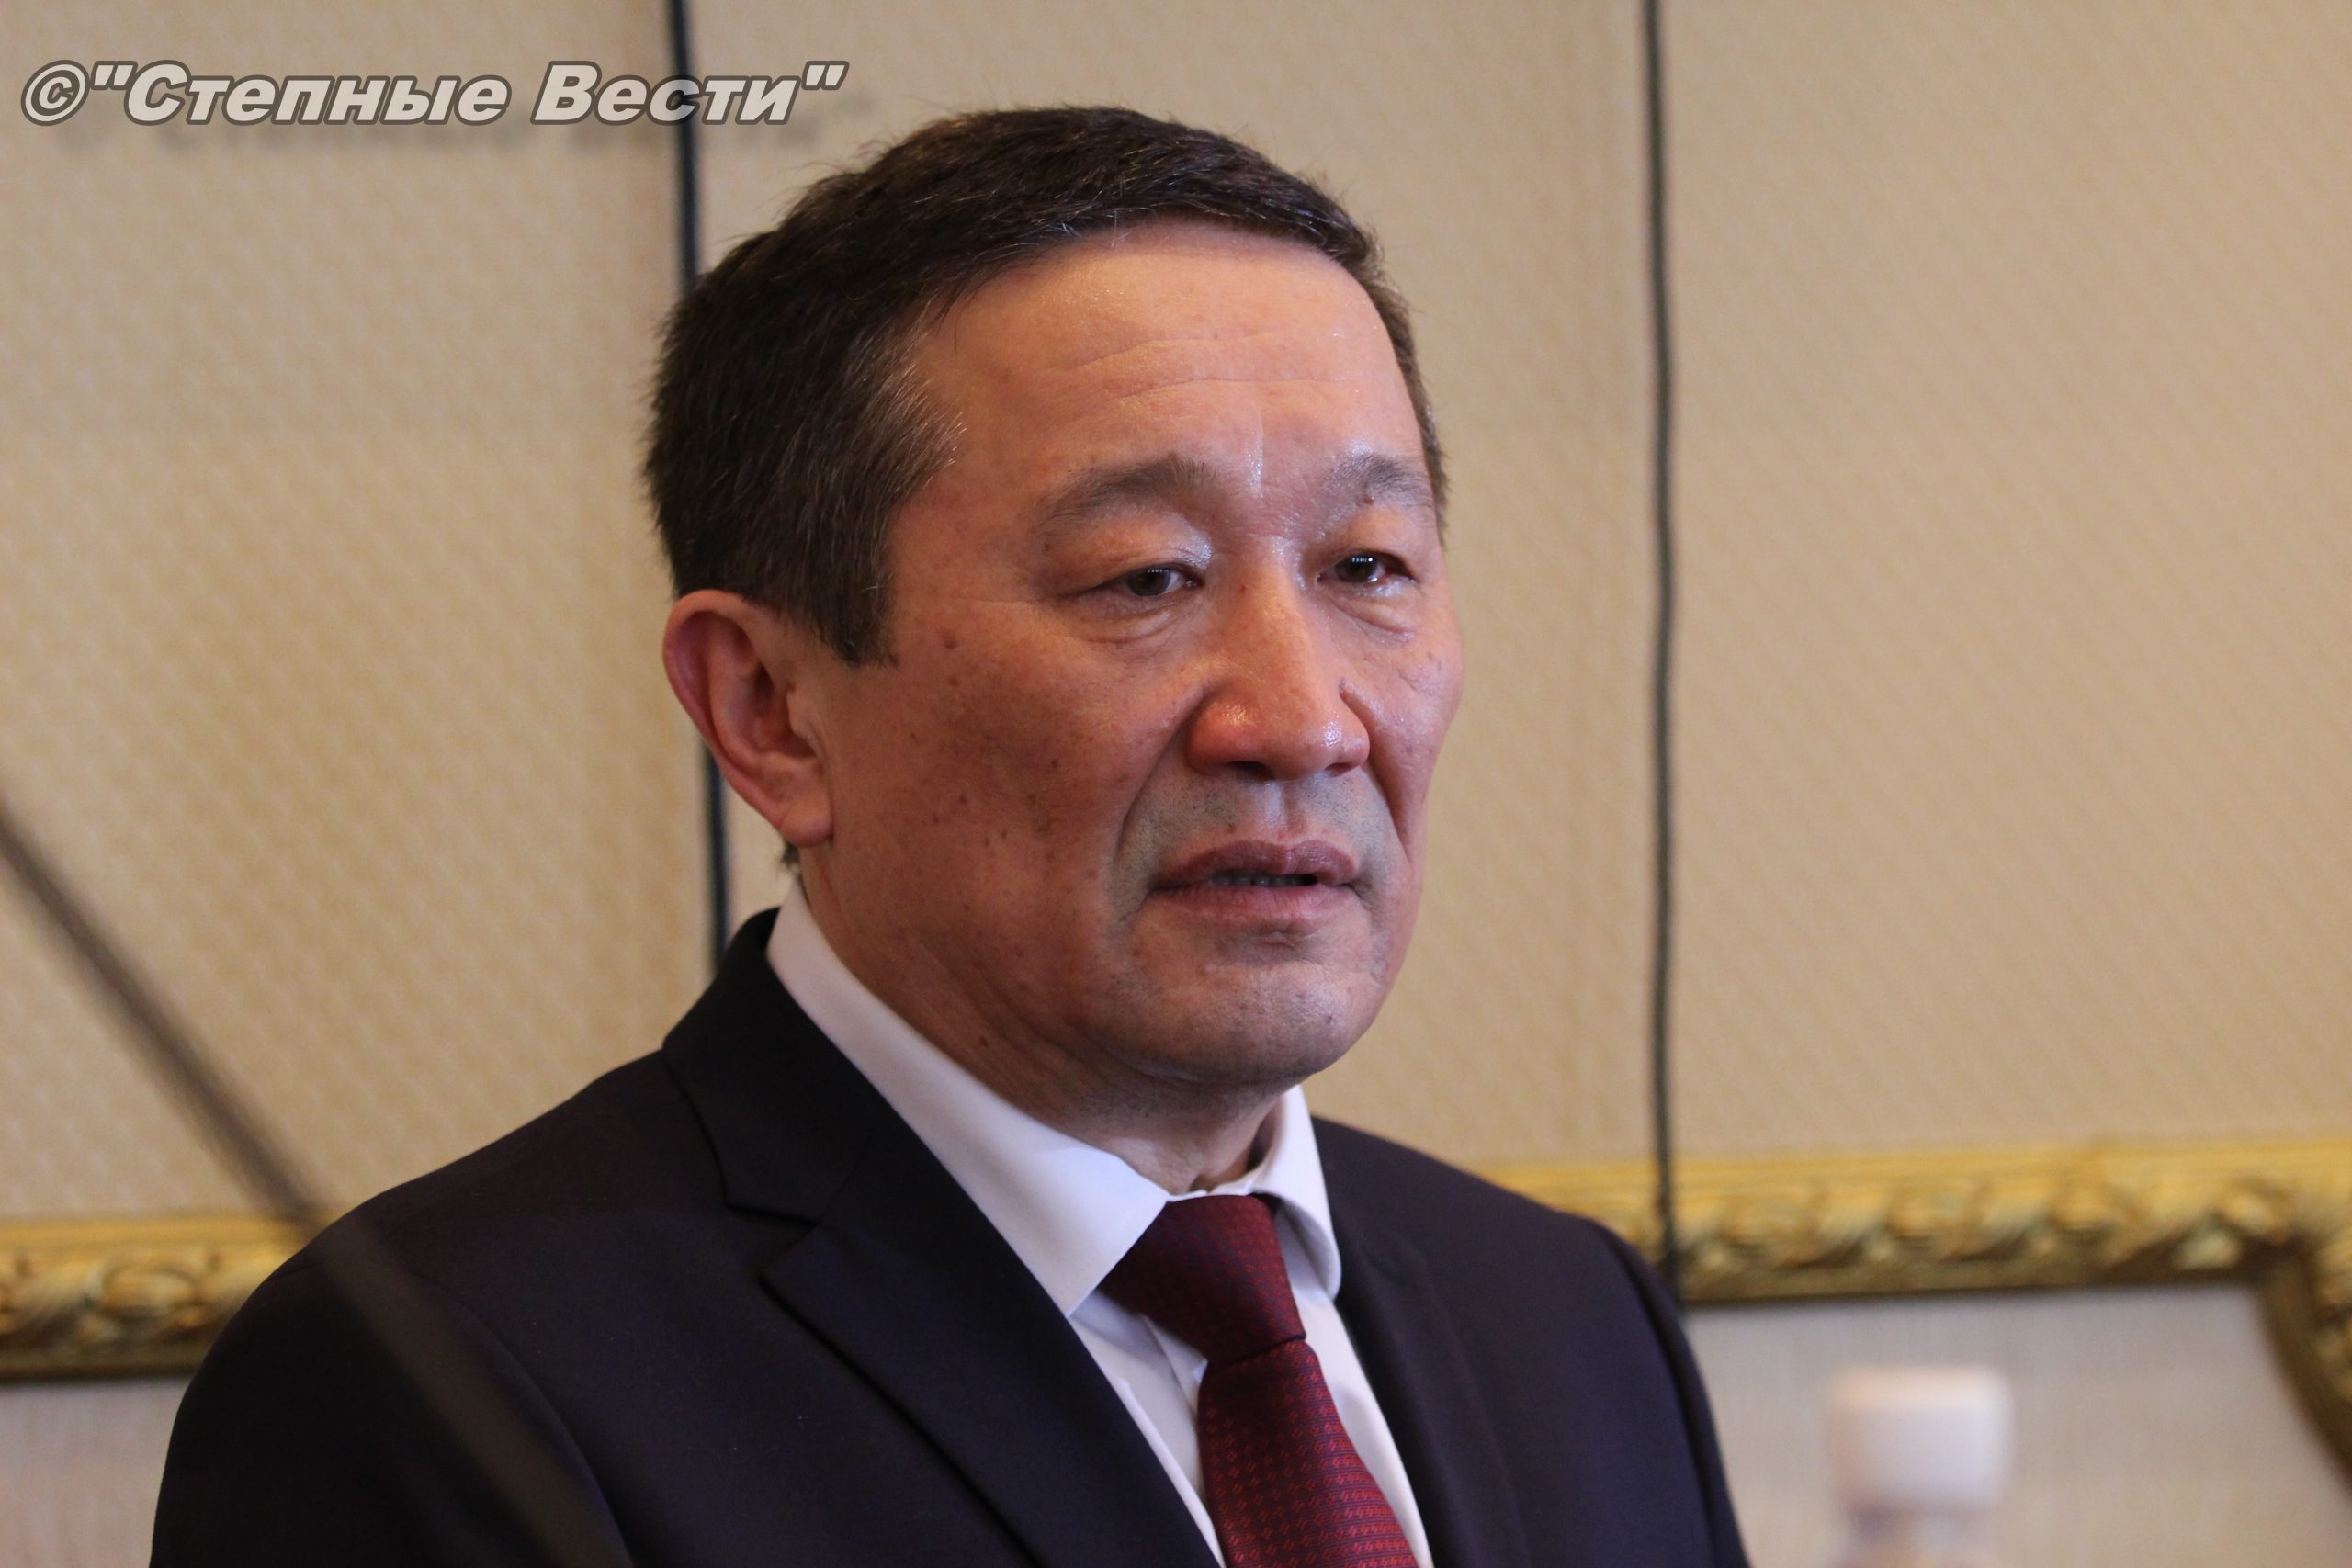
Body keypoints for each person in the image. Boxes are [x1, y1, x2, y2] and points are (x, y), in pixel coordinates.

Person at [152, 106, 1749, 1568]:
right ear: (771, 710)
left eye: (1369, 567)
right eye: (1146, 578)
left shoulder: (1567, 1319)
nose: (1303, 720)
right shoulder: (439, 1384)